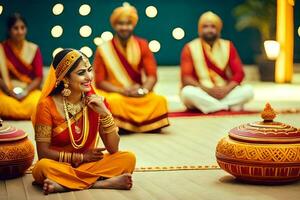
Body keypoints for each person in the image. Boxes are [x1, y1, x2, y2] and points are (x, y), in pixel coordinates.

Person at [31, 49, 136, 195]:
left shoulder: (97, 102)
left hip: (88, 165)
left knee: (128, 158)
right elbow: (43, 153)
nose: (89, 77)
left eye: (90, 70)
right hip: (58, 165)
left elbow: (113, 149)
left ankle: (64, 185)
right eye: (81, 73)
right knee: (41, 168)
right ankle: (103, 183)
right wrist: (80, 157)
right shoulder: (46, 105)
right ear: (65, 78)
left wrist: (105, 113)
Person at [93, 4, 169, 133]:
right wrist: (122, 91)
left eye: (128, 24)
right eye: (120, 24)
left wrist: (143, 90)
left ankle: (127, 125)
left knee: (159, 101)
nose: (124, 28)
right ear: (114, 25)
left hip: (137, 92)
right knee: (113, 103)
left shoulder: (142, 44)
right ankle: (134, 125)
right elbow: (100, 81)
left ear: (133, 25)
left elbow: (152, 75)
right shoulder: (103, 49)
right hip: (115, 93)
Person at [180, 11, 253, 114]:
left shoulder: (228, 45)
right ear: (199, 30)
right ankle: (227, 106)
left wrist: (226, 89)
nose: (209, 30)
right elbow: (186, 78)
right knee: (187, 93)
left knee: (248, 91)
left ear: (218, 29)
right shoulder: (190, 47)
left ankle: (211, 107)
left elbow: (239, 73)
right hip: (203, 92)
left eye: (213, 27)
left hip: (224, 91)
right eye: (205, 27)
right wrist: (208, 90)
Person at [0, 13, 43, 119]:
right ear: (9, 30)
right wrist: (9, 92)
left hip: (28, 90)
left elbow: (38, 77)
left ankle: (11, 114)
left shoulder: (33, 49)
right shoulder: (2, 49)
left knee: (38, 101)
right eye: (16, 28)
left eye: (22, 28)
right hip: (7, 91)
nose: (20, 32)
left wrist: (25, 92)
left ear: (26, 29)